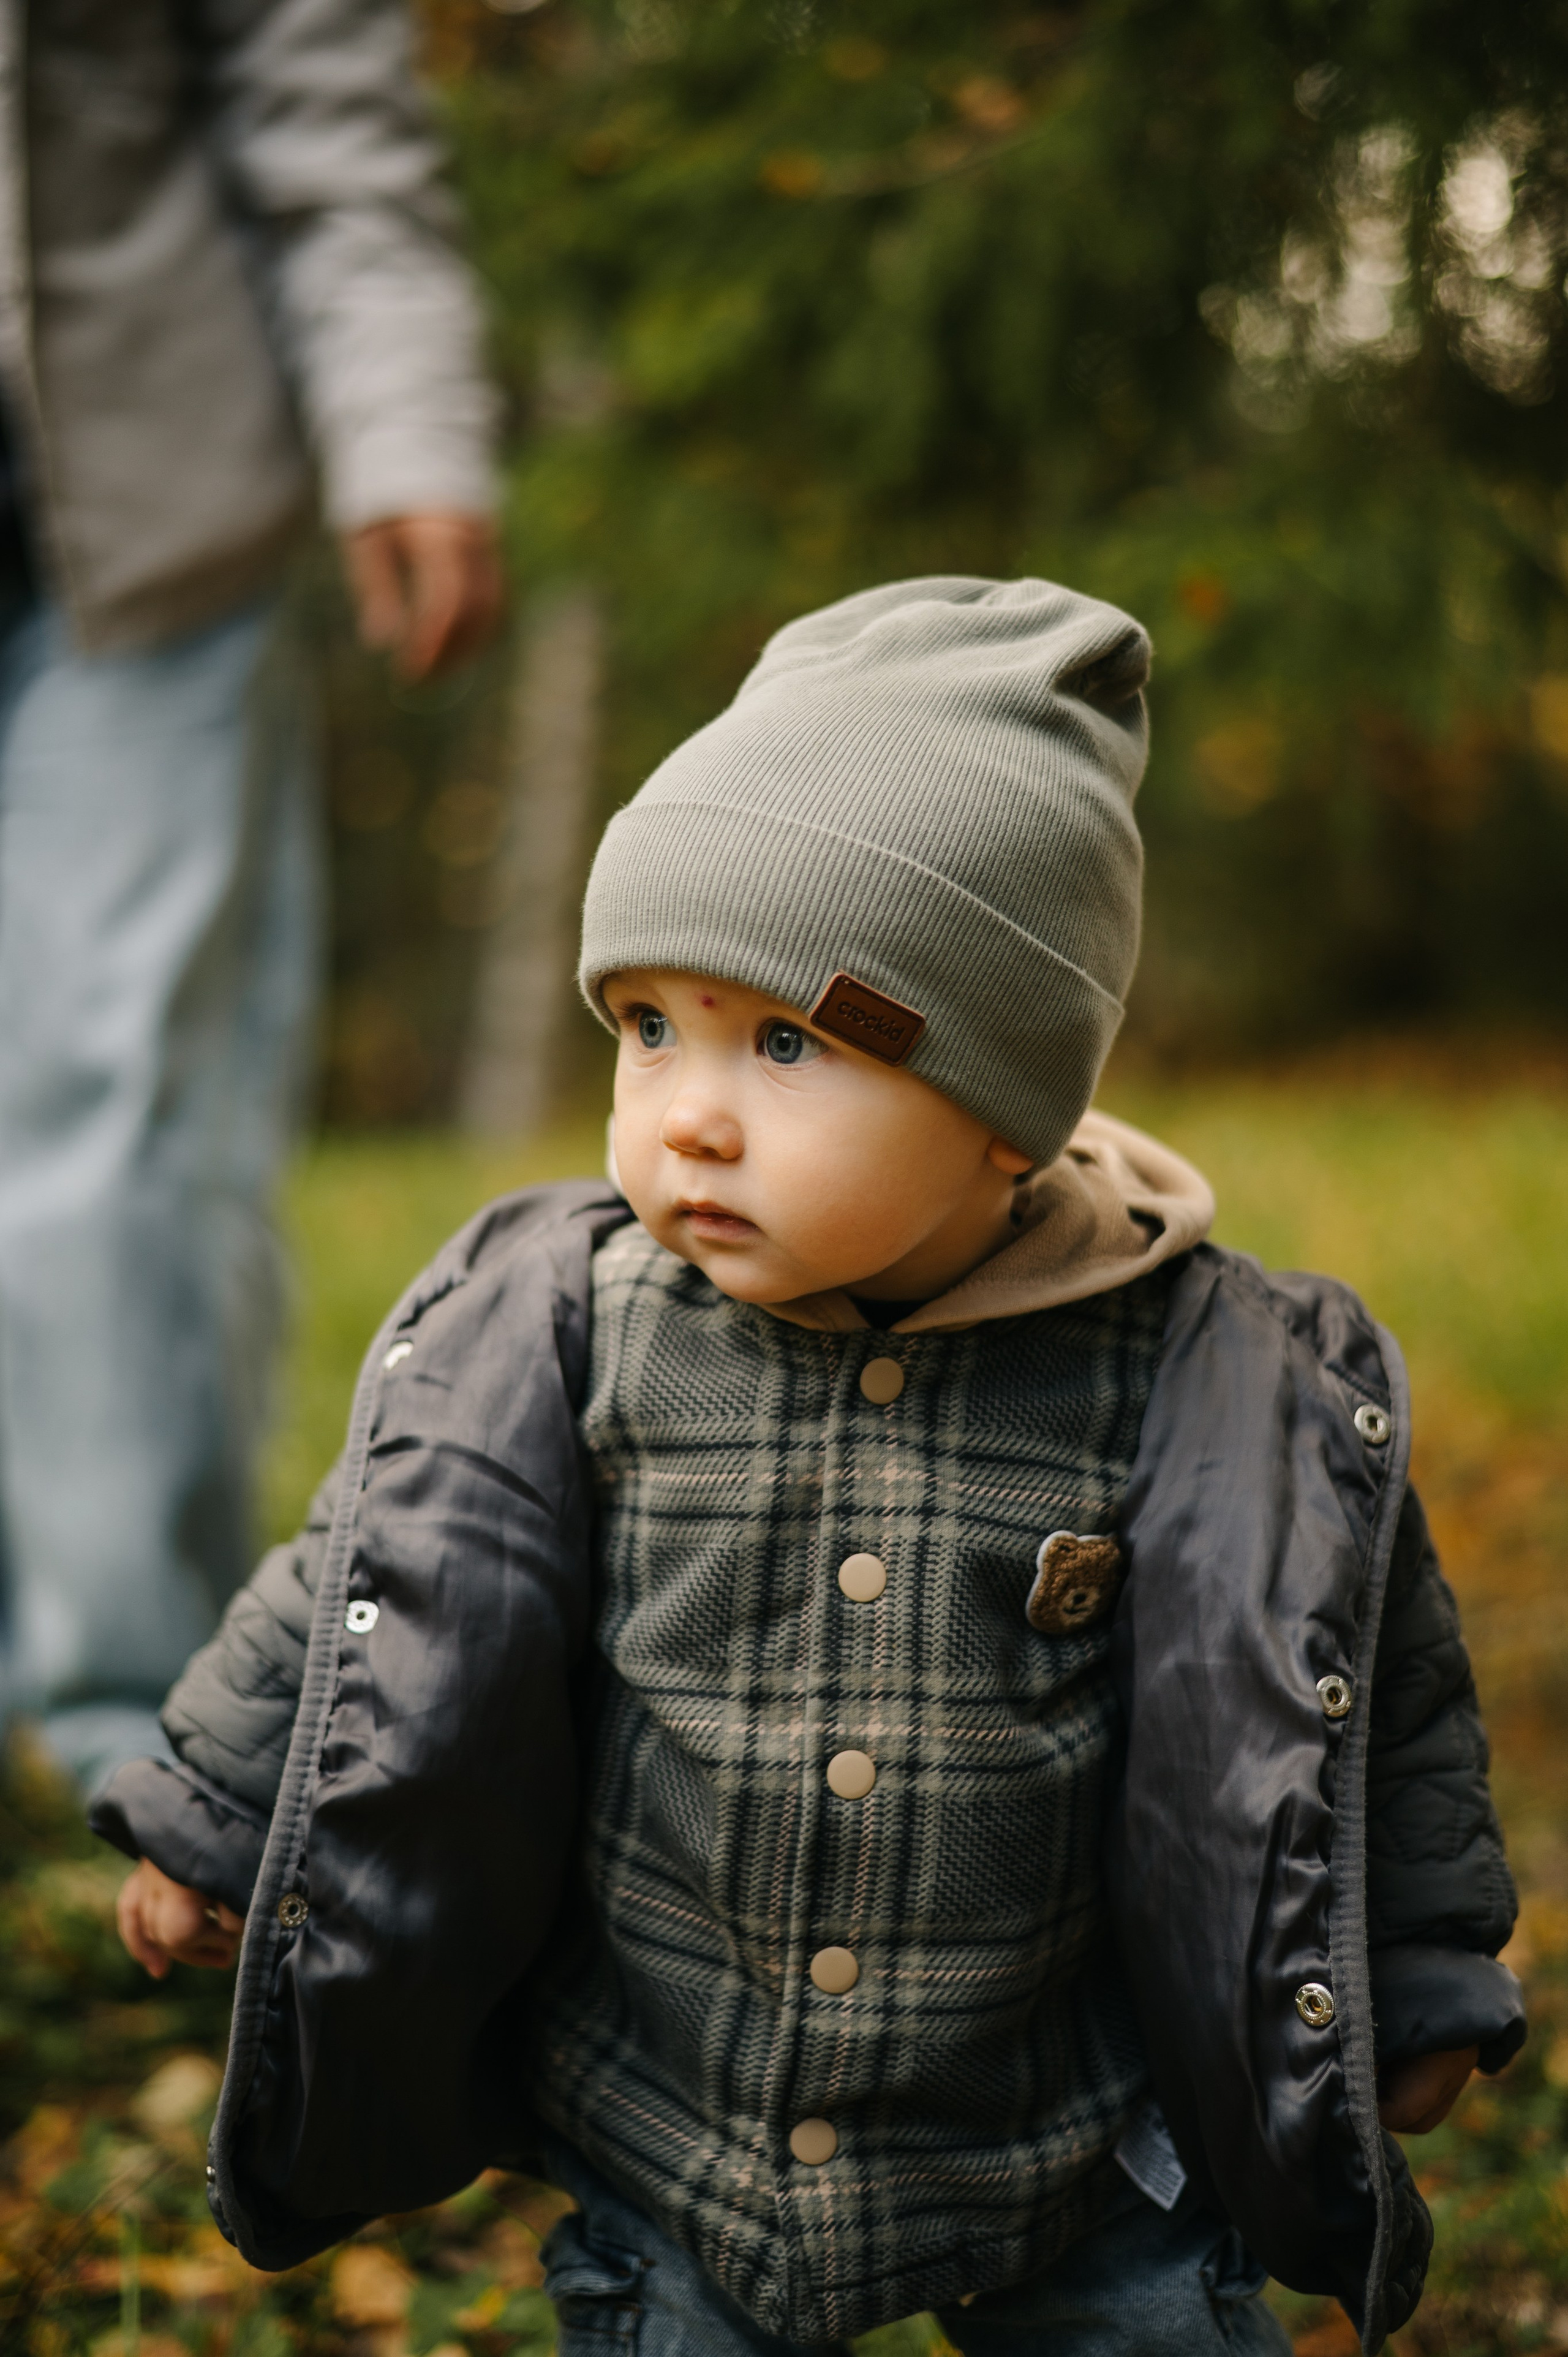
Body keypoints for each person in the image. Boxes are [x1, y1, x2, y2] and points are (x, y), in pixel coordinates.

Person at [94, 580, 1522, 2351]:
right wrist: (222, 1820)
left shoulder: (1199, 1372)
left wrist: (1416, 1964)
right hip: (680, 2118)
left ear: (1008, 1104)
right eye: (647, 1028)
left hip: (1069, 2130)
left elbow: (1343, 1680)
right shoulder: (572, 1327)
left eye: (784, 1043)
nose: (688, 1110)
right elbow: (377, 1577)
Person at [0, 0, 503, 1796]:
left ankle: (134, 1730)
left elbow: (330, 117)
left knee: (117, 1097)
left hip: (149, 507)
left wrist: (410, 431)